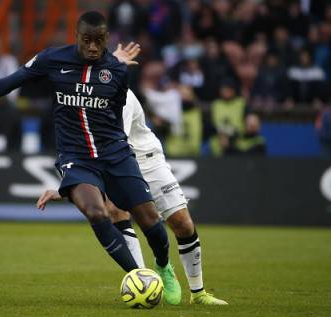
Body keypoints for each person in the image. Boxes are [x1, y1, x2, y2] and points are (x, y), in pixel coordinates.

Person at [0, 11, 181, 304]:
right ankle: (139, 278)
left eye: (99, 41)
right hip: (76, 157)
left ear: (107, 39)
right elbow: (7, 83)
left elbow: (116, 113)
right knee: (96, 212)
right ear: (76, 37)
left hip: (115, 154)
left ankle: (163, 266)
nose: (93, 48)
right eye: (87, 41)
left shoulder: (118, 71)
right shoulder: (51, 59)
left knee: (153, 225)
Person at [38, 85, 228, 305]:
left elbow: (114, 141)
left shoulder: (120, 95)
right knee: (115, 210)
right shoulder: (81, 98)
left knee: (182, 223)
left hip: (145, 158)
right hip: (112, 161)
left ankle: (196, 291)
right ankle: (144, 280)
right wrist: (70, 184)